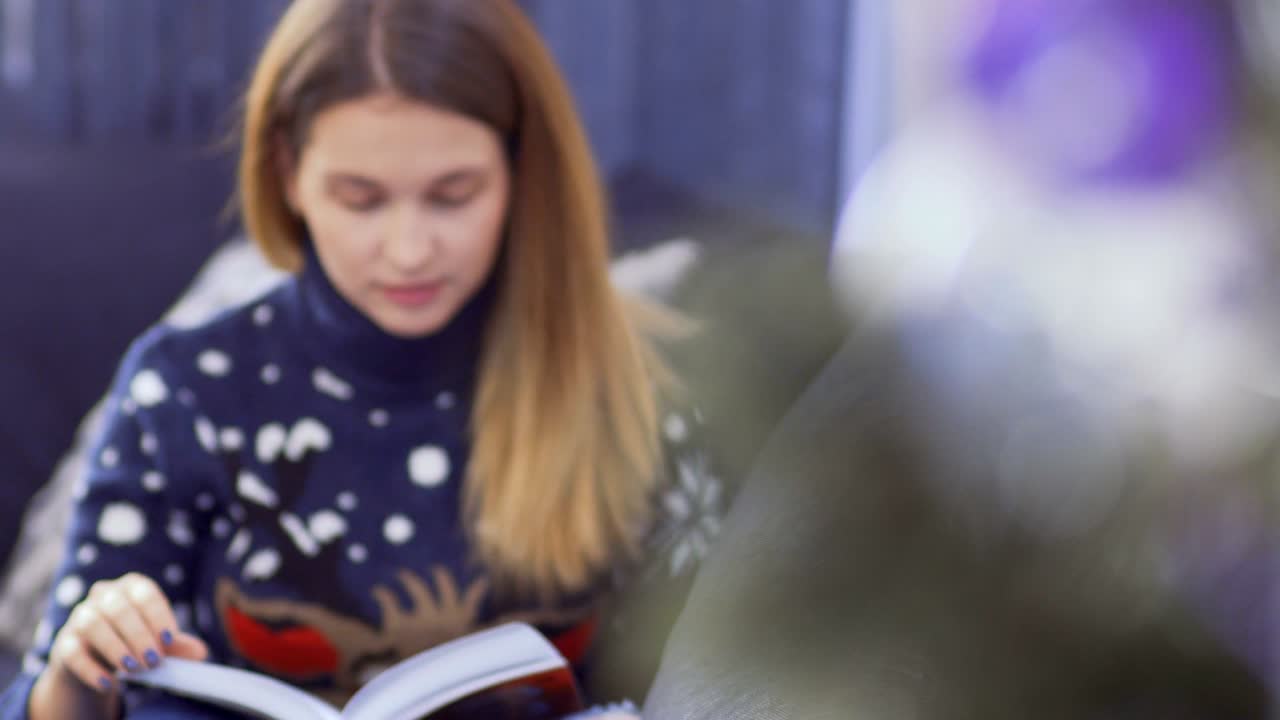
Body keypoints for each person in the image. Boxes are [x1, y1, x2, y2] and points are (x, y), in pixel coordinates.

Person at [0, 1, 721, 717]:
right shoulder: (187, 389)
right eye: (360, 199)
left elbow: (723, 681)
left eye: (453, 195)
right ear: (288, 173)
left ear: (521, 174)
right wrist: (77, 672)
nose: (408, 251)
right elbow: (55, 699)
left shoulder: (639, 387)